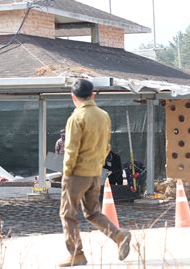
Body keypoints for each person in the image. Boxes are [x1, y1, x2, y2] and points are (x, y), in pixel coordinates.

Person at [59, 79, 132, 267]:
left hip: (77, 174)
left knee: (67, 213)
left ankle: (76, 254)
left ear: (73, 97)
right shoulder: (103, 115)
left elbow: (71, 150)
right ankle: (119, 235)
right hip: (95, 173)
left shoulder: (76, 118)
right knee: (92, 212)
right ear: (93, 95)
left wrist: (66, 173)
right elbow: (107, 145)